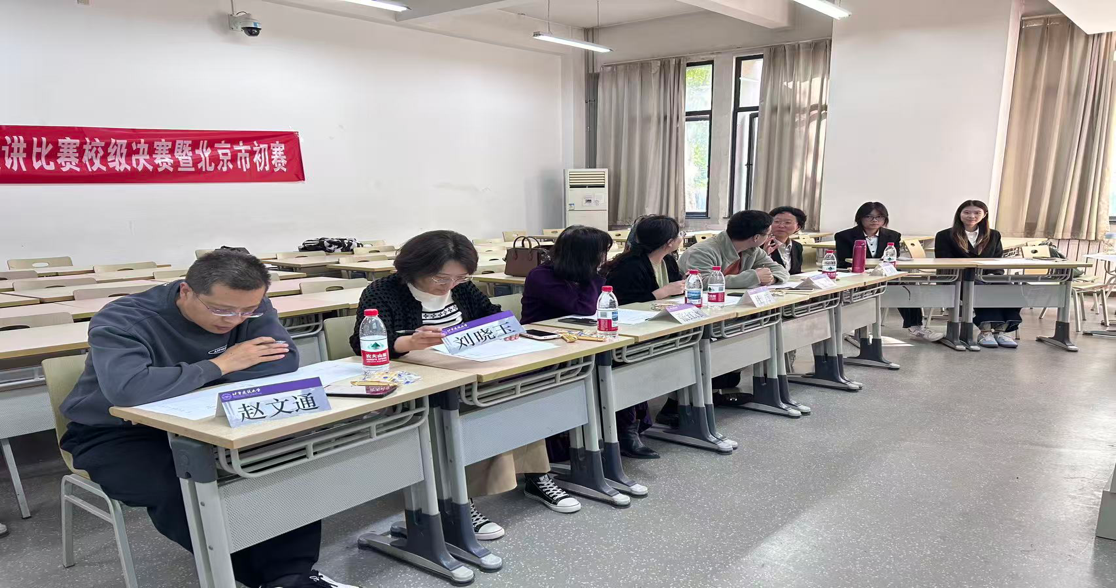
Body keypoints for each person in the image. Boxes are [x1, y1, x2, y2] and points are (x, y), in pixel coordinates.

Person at [59, 250, 358, 588]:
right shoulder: (124, 319)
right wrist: (221, 365)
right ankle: (258, 577)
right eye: (221, 310)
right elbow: (129, 390)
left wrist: (177, 381)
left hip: (209, 416)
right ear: (186, 291)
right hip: (116, 432)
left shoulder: (249, 304)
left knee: (284, 457)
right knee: (177, 485)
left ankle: (290, 576)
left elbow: (282, 361)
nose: (234, 320)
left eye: (246, 311)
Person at [350, 230, 580, 543]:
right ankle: (459, 501)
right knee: (469, 410)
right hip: (418, 381)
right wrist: (407, 342)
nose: (450, 286)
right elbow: (362, 343)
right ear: (416, 267)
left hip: (470, 369)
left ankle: (537, 476)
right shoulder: (384, 291)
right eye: (441, 278)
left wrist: (504, 328)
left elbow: (491, 315)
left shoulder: (462, 287)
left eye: (459, 278)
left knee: (520, 397)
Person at [520, 226, 618, 459]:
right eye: (600, 253)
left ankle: (622, 430)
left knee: (618, 362)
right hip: (543, 349)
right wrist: (593, 276)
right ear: (584, 255)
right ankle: (567, 440)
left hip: (575, 343)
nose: (603, 258)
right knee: (598, 371)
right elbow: (585, 308)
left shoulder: (580, 275)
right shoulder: (542, 276)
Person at [677, 210, 790, 410]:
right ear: (756, 237)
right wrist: (753, 277)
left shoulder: (753, 250)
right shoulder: (704, 250)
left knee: (757, 332)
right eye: (767, 234)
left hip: (729, 311)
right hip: (698, 314)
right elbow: (701, 282)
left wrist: (771, 278)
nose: (769, 238)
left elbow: (779, 270)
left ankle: (722, 383)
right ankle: (695, 395)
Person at [602, 216, 687, 458]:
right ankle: (627, 430)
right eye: (679, 235)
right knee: (632, 369)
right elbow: (623, 303)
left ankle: (677, 406)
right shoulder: (630, 266)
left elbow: (676, 291)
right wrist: (660, 293)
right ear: (669, 241)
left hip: (660, 326)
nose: (681, 238)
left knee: (690, 350)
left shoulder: (668, 261)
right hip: (631, 331)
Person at [834, 202, 942, 343]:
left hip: (884, 275)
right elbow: (844, 261)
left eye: (879, 217)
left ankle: (916, 327)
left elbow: (892, 260)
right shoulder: (844, 236)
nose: (874, 220)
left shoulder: (893, 235)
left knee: (908, 285)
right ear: (860, 218)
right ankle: (857, 328)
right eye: (869, 217)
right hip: (857, 276)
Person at [934, 200, 1021, 348]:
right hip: (957, 279)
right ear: (959, 214)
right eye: (967, 212)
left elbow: (997, 259)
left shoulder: (993, 235)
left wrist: (994, 274)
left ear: (984, 214)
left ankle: (1000, 331)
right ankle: (985, 331)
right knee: (980, 288)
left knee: (1011, 288)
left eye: (977, 213)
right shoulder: (945, 235)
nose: (971, 216)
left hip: (987, 277)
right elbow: (944, 262)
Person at [764, 206, 807, 275]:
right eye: (776, 221)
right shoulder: (761, 244)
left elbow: (796, 272)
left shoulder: (797, 246)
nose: (781, 226)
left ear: (798, 227)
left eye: (787, 222)